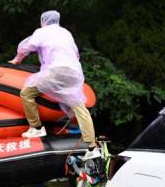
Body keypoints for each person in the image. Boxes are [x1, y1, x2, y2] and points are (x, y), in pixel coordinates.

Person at [8, 10, 100, 160]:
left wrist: (17, 60)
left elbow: (26, 47)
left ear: (44, 21)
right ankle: (92, 147)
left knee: (27, 93)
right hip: (74, 73)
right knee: (80, 109)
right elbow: (76, 54)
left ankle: (36, 127)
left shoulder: (42, 31)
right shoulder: (66, 33)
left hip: (55, 70)